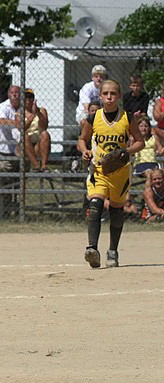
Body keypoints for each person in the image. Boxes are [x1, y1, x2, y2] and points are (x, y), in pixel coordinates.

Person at [78, 79, 144, 268]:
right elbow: (82, 139)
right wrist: (85, 151)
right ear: (100, 96)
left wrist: (126, 152)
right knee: (96, 203)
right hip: (99, 170)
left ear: (119, 96)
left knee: (116, 210)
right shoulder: (94, 117)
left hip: (120, 172)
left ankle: (113, 250)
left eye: (113, 93)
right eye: (105, 93)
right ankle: (92, 249)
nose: (109, 97)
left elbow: (140, 142)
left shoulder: (126, 117)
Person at [0, 86, 23, 215]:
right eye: (12, 93)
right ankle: (5, 211)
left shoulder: (23, 107)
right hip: (4, 149)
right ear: (8, 94)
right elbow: (2, 121)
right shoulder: (3, 106)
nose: (15, 95)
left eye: (17, 93)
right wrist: (18, 122)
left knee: (18, 183)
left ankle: (18, 210)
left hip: (20, 150)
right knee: (5, 182)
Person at [15, 89, 51, 172]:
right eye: (25, 97)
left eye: (30, 97)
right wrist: (32, 116)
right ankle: (36, 166)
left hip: (39, 142)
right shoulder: (19, 114)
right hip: (26, 144)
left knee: (45, 134)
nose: (28, 100)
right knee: (24, 136)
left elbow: (44, 126)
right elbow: (21, 129)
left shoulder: (42, 111)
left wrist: (37, 113)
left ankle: (44, 165)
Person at [133, 115, 162, 182]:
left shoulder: (154, 138)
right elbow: (131, 153)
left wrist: (160, 151)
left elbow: (160, 150)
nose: (144, 128)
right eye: (141, 126)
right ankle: (149, 190)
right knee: (149, 173)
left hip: (153, 163)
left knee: (156, 172)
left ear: (149, 128)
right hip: (141, 164)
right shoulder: (135, 139)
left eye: (146, 126)